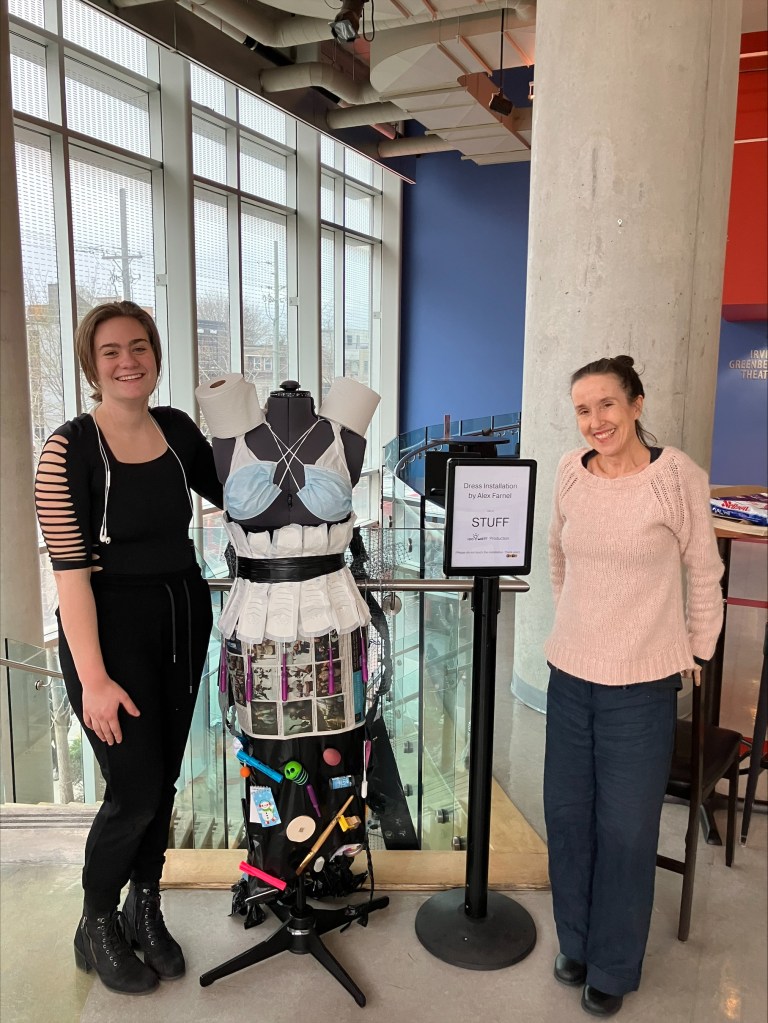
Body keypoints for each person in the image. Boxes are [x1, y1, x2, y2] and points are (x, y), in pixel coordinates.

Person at [34, 301, 223, 995]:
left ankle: (145, 906)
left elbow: (240, 492)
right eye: (111, 351)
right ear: (91, 363)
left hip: (182, 620)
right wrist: (93, 680)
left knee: (163, 781)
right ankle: (96, 921)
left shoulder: (176, 430)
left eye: (139, 346)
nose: (127, 361)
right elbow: (70, 578)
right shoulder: (68, 449)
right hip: (109, 634)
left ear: (155, 354)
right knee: (133, 790)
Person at [543, 355, 723, 1018]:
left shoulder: (676, 477)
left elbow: (704, 571)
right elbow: (558, 553)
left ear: (636, 404)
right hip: (570, 678)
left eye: (607, 405)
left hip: (642, 688)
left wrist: (696, 648)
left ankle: (613, 965)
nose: (596, 421)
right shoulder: (570, 471)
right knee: (567, 817)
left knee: (625, 830)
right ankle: (576, 940)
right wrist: (578, 624)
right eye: (583, 409)